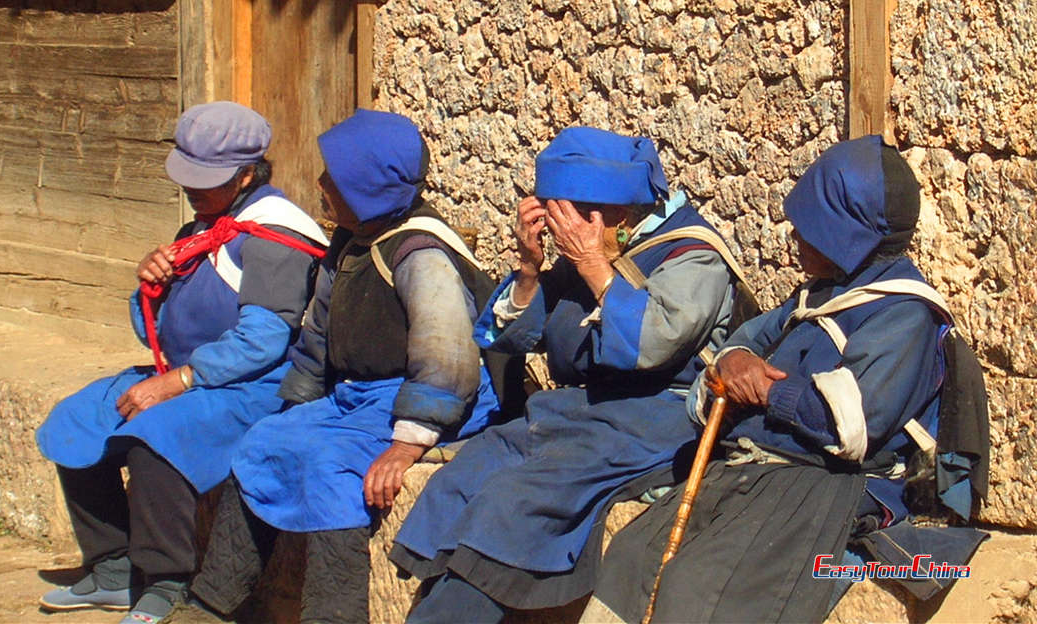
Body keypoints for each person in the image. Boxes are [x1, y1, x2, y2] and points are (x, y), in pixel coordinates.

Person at [586, 135, 978, 623]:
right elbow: (746, 341)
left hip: (820, 487)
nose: (794, 238)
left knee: (697, 593)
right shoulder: (816, 295)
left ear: (844, 234)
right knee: (629, 558)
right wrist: (732, 364)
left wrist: (768, 390)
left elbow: (850, 427)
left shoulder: (904, 317)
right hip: (752, 470)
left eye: (809, 228)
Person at [164, 109, 508, 624]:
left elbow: (447, 361)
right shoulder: (349, 244)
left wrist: (407, 444)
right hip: (360, 396)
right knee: (261, 443)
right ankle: (210, 605)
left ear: (365, 186)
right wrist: (293, 407)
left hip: (429, 399)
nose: (321, 184)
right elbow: (318, 337)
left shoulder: (420, 253)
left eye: (333, 177)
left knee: (332, 469)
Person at [389, 127, 745, 623]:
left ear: (614, 214)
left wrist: (594, 266)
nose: (559, 232)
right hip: (580, 414)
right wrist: (531, 269)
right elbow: (516, 336)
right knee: (470, 473)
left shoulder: (690, 256)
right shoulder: (592, 250)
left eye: (566, 215)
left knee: (521, 498)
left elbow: (652, 344)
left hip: (658, 419)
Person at [35, 101, 329, 624]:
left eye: (205, 178)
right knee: (75, 420)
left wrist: (181, 380)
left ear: (245, 175)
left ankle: (166, 580)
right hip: (189, 372)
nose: (190, 189)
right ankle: (109, 567)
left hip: (254, 384)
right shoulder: (203, 228)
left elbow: (263, 339)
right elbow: (157, 327)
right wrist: (150, 288)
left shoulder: (274, 233)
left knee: (156, 435)